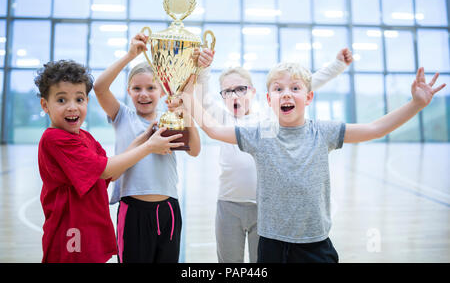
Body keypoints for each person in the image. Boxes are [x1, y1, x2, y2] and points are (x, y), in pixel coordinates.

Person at [179, 62, 445, 263]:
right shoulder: (259, 133)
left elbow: (375, 128)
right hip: (271, 245)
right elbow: (212, 128)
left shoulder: (324, 131)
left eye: (295, 89)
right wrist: (189, 93)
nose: (286, 94)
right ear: (269, 99)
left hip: (315, 245)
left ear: (308, 98)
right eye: (278, 89)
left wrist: (416, 105)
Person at [187, 49, 352, 263]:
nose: (234, 95)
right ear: (222, 96)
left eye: (240, 89)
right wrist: (203, 68)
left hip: (263, 210)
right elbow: (201, 96)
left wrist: (337, 65)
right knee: (229, 262)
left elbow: (307, 83)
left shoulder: (267, 117)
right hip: (228, 205)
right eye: (227, 91)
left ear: (254, 92)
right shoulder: (221, 118)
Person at [35, 60, 177, 263]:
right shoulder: (54, 139)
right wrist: (149, 147)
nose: (72, 107)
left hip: (91, 227)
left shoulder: (85, 137)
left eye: (79, 99)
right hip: (70, 231)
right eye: (61, 100)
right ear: (45, 105)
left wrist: (143, 139)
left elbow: (111, 172)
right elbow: (105, 169)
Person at [93, 32, 213, 263]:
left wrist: (186, 115)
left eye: (151, 88)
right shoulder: (122, 116)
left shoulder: (170, 119)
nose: (144, 94)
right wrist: (130, 56)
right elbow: (99, 87)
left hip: (169, 209)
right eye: (137, 89)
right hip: (133, 211)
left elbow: (195, 150)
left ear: (162, 90)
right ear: (128, 91)